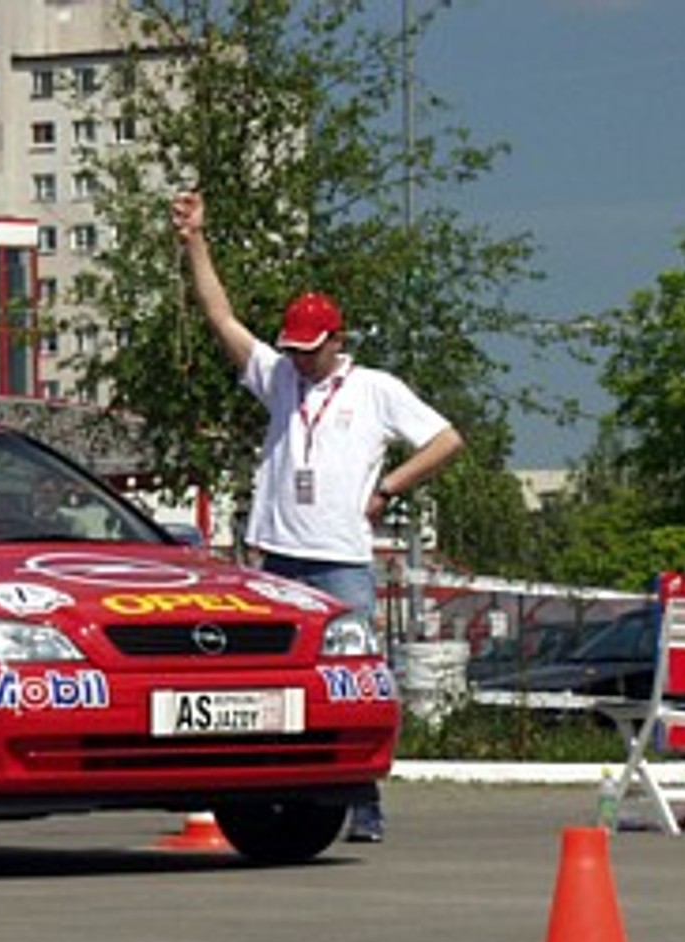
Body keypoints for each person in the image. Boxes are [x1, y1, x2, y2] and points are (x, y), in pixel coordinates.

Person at [170, 189, 465, 842]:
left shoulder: (374, 388)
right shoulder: (277, 378)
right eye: (294, 348)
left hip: (340, 560)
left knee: (353, 681)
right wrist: (195, 240)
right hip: (277, 555)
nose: (301, 360)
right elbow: (221, 318)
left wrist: (388, 487)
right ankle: (274, 791)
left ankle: (361, 799)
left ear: (337, 339)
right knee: (273, 684)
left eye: (311, 349)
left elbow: (446, 440)